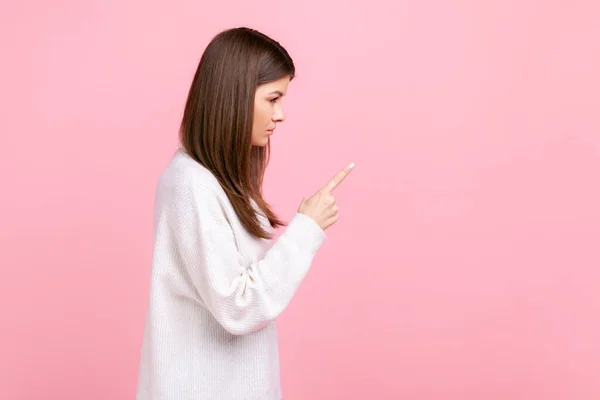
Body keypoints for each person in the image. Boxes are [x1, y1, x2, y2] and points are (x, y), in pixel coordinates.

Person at [136, 26, 354, 400]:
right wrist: (306, 229)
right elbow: (239, 306)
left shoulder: (218, 182)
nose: (281, 114)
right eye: (273, 98)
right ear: (235, 96)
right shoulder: (192, 185)